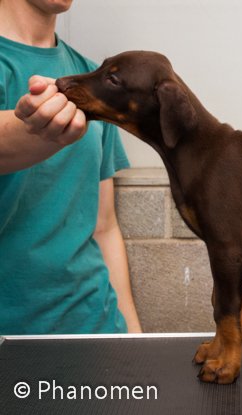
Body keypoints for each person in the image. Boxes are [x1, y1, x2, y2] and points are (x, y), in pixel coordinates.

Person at [0, 0, 142, 334]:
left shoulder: (92, 79)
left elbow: (104, 227)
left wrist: (134, 337)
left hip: (97, 329)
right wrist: (37, 129)